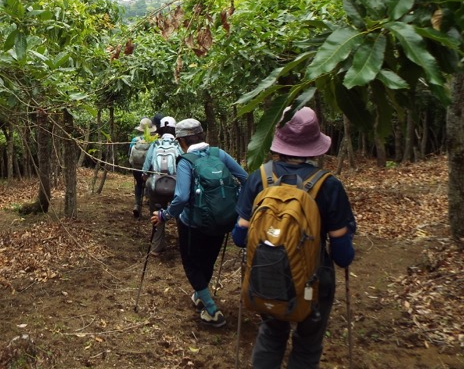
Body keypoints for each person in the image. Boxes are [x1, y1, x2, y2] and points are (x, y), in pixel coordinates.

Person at [232, 107, 356, 369]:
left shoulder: (259, 179)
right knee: (308, 344)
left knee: (271, 334)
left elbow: (240, 237)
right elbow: (343, 255)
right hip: (314, 279)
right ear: (313, 144)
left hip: (268, 275)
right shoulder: (329, 185)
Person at [151, 118, 247, 327]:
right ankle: (200, 295)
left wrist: (164, 215)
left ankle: (212, 311)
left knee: (192, 264)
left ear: (182, 141)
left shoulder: (186, 161)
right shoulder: (219, 154)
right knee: (207, 261)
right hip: (223, 220)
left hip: (192, 224)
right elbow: (245, 179)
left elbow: (182, 198)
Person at [141, 116, 181, 255]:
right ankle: (182, 244)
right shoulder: (178, 145)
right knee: (179, 214)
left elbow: (146, 168)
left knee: (156, 214)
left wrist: (145, 177)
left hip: (157, 187)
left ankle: (157, 246)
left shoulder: (155, 144)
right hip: (176, 187)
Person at [129, 117, 155, 218]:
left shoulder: (135, 140)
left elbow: (129, 154)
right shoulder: (153, 141)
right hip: (149, 169)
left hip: (136, 168)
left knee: (139, 184)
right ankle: (151, 207)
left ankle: (137, 205)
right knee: (149, 185)